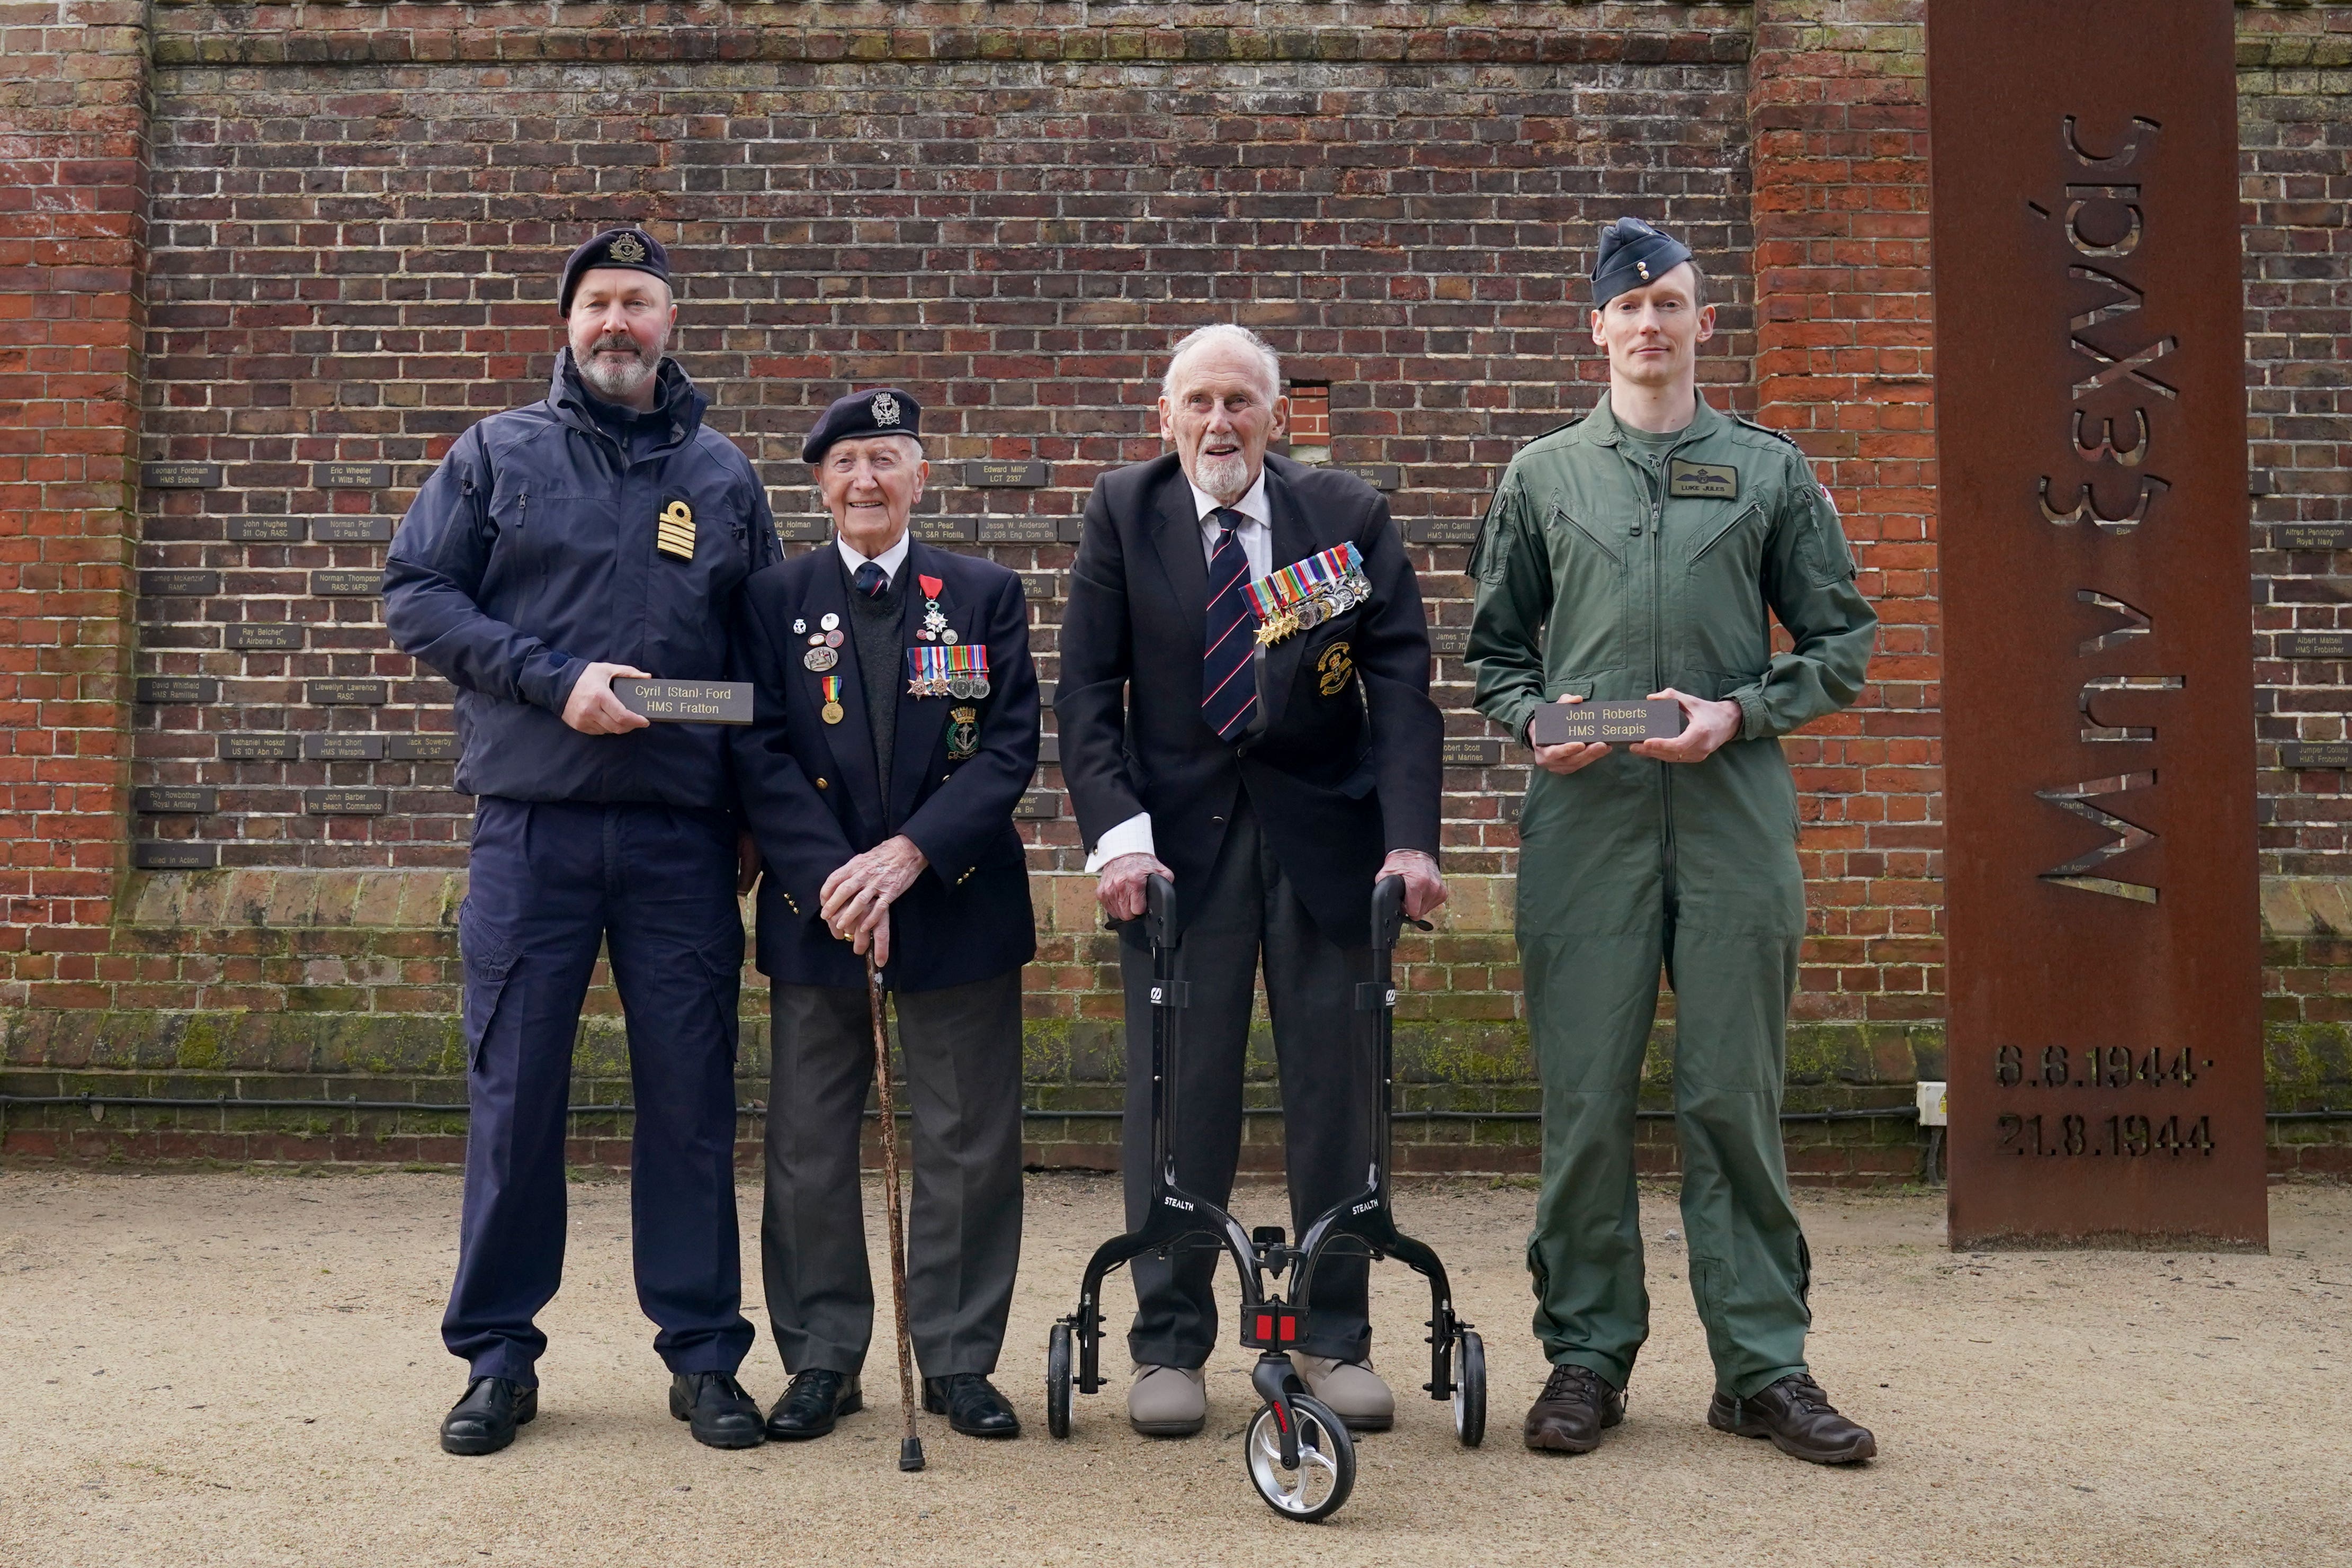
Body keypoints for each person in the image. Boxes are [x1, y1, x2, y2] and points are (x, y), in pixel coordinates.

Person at [1466, 216, 1881, 1464]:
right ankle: (1586, 1354)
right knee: (1585, 1099)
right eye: (1628, 306)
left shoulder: (1767, 469)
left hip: (1732, 816)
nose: (1649, 323)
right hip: (1584, 826)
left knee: (1731, 1096)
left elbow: (1842, 640)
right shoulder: (1542, 477)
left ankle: (1762, 1363)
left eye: (1672, 303)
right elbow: (1493, 654)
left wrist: (1740, 711)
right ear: (1595, 328)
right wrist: (1531, 718)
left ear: (1706, 323)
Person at [386, 227, 781, 1456]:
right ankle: (498, 1356)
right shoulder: (493, 455)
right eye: (599, 302)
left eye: (640, 303)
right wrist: (552, 681)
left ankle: (704, 1354)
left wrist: (760, 819)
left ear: (672, 323)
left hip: (680, 840)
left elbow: (760, 658)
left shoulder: (723, 477)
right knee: (515, 1102)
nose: (619, 322)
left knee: (692, 1105)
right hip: (533, 831)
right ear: (568, 322)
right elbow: (416, 593)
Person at [1056, 325, 1446, 1437]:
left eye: (1240, 402)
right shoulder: (1121, 512)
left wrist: (1409, 840)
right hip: (1174, 851)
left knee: (1338, 1094)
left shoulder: (1349, 517)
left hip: (1326, 839)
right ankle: (1170, 1343)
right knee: (1181, 1099)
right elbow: (1086, 694)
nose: (1218, 422)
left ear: (1277, 416)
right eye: (1199, 402)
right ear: (1165, 415)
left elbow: (1401, 686)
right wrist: (1118, 836)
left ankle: (1333, 1337)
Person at [730, 388, 1039, 1444]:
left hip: (955, 899)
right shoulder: (772, 598)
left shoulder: (986, 593)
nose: (865, 479)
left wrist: (909, 857)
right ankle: (822, 1355)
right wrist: (841, 878)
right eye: (846, 460)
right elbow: (758, 749)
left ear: (920, 475)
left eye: (886, 459)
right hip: (820, 910)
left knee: (964, 1140)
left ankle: (957, 1357)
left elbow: (1007, 748)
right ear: (819, 481)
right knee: (811, 1143)